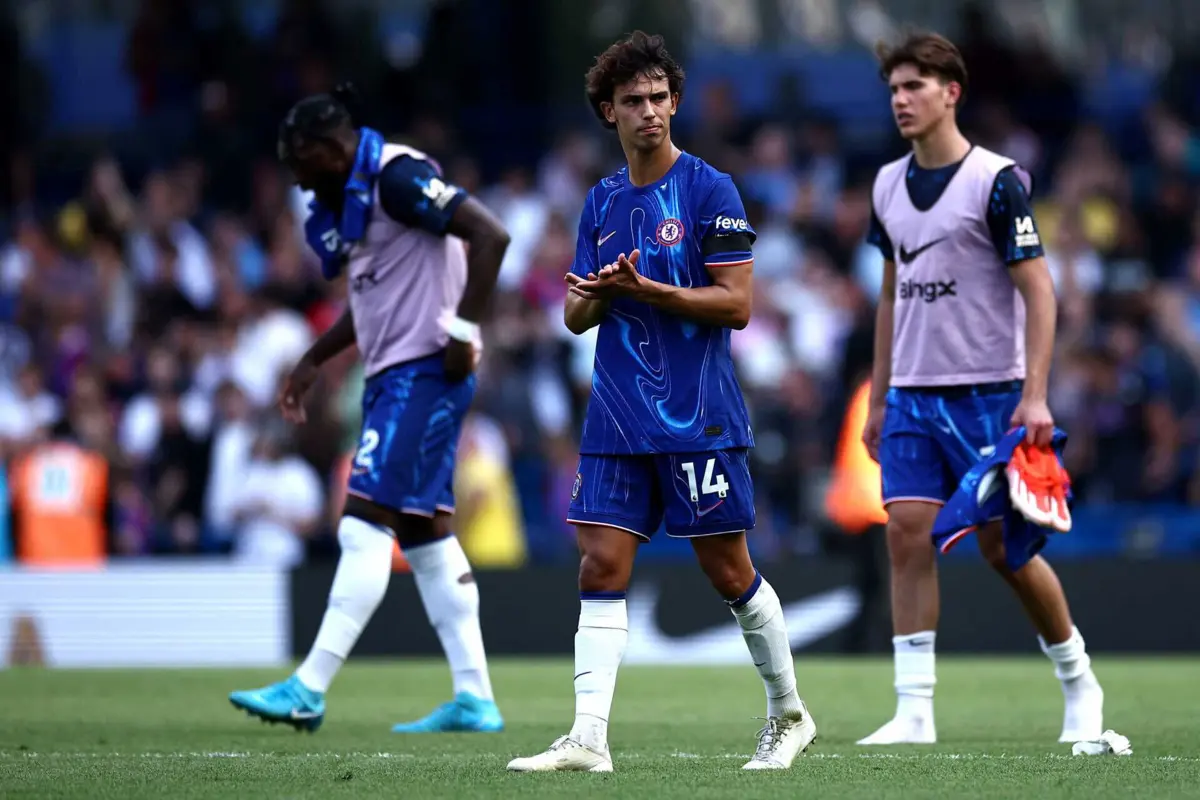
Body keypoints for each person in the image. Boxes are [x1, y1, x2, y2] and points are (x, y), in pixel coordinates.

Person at [506, 32, 817, 774]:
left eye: (659, 98)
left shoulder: (711, 189)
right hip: (617, 412)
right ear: (606, 112)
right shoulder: (601, 201)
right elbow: (575, 317)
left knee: (727, 571)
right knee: (600, 564)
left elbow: (737, 304)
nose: (650, 112)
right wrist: (598, 294)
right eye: (633, 101)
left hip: (697, 413)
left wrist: (649, 291)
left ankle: (789, 713)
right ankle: (588, 737)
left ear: (674, 102)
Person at [229, 85, 511, 734]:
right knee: (425, 535)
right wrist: (312, 360)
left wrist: (465, 332)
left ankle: (309, 686)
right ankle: (475, 698)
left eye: (300, 162)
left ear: (330, 148)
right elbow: (372, 301)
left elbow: (491, 235)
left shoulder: (397, 179)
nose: (296, 179)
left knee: (362, 525)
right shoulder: (355, 199)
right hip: (396, 373)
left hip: (424, 370)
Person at [858, 31, 1104, 745]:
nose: (901, 100)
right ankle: (914, 711)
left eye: (915, 87)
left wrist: (1036, 394)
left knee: (1006, 551)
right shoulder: (884, 185)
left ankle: (1078, 680)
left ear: (950, 93)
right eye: (894, 89)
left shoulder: (995, 181)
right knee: (906, 534)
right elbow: (889, 297)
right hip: (910, 392)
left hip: (990, 393)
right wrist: (877, 396)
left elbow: (1041, 289)